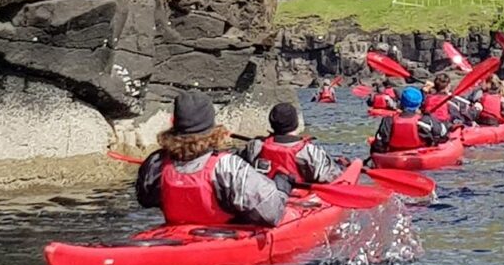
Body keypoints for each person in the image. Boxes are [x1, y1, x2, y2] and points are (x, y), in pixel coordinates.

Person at [135, 91, 291, 226]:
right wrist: (282, 187)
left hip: (175, 233)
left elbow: (145, 200)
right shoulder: (228, 166)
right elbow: (272, 213)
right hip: (224, 237)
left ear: (175, 123)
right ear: (211, 125)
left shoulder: (156, 162)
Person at [245, 102, 347, 185]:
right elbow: (332, 177)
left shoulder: (255, 146)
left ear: (271, 123)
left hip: (266, 194)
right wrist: (341, 167)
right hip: (299, 199)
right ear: (296, 123)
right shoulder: (309, 151)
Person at [372, 85, 448, 152]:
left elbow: (379, 143)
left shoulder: (388, 121)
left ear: (401, 103)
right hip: (421, 154)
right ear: (419, 104)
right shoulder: (426, 120)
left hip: (393, 156)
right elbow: (443, 133)